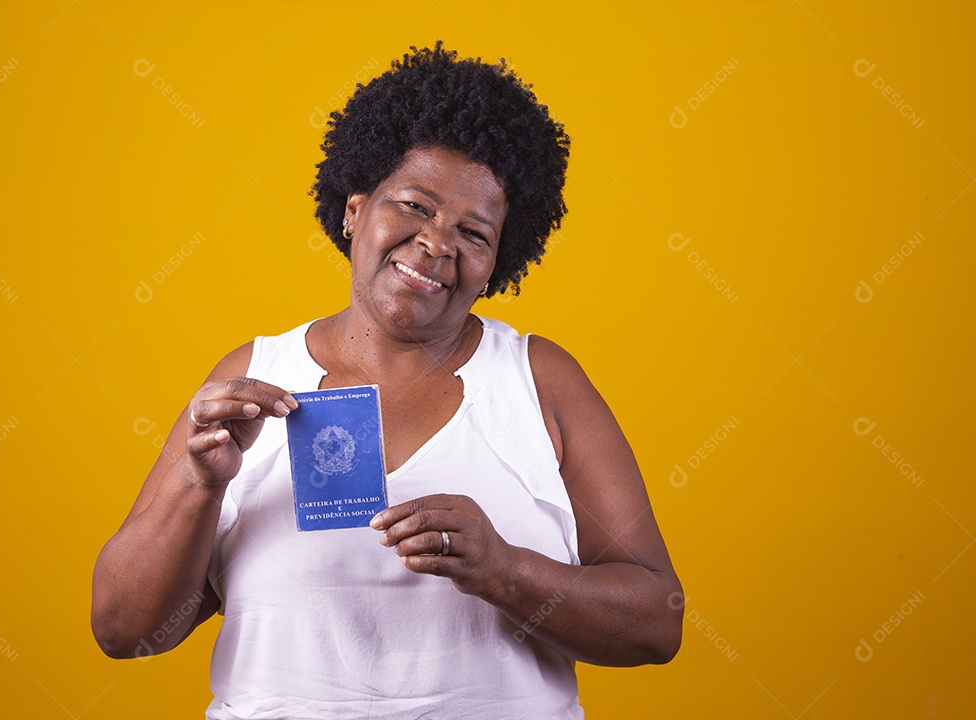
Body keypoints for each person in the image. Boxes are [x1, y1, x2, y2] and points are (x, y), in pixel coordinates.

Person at [92, 42, 682, 719]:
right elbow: (125, 632)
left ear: (498, 263)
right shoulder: (254, 377)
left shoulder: (539, 381)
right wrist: (199, 488)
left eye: (475, 233)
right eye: (413, 204)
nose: (436, 244)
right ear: (354, 210)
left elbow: (657, 622)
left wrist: (506, 572)